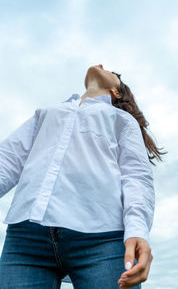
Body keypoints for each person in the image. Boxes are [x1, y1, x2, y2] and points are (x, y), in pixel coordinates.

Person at [0, 64, 167, 288]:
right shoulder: (47, 112)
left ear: (116, 92)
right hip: (26, 237)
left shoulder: (122, 120)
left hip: (103, 239)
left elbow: (136, 177)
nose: (100, 66)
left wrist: (137, 229)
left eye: (111, 71)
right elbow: (7, 159)